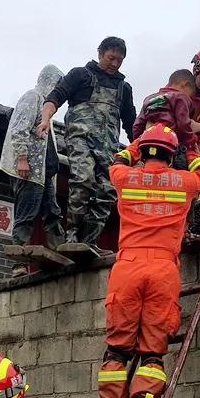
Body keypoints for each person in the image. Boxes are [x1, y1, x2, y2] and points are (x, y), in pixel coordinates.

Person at [99, 124, 200, 398]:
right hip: (163, 269)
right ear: (171, 154)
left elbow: (116, 160)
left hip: (127, 267)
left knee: (117, 350)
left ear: (144, 151)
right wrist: (191, 150)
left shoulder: (125, 178)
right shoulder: (185, 182)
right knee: (152, 354)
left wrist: (134, 146)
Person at [37, 37, 137, 252]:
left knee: (107, 191)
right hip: (80, 139)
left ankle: (90, 241)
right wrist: (46, 119)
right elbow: (55, 97)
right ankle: (72, 236)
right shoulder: (80, 75)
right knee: (82, 180)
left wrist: (141, 150)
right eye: (111, 58)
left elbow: (132, 124)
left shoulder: (124, 88)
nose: (115, 64)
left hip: (108, 147)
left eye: (120, 60)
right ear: (100, 53)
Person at [1, 65, 66, 269]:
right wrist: (22, 158)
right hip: (29, 170)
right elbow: (19, 129)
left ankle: (60, 252)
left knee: (52, 213)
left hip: (43, 173)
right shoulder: (33, 97)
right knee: (26, 214)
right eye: (57, 85)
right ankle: (19, 265)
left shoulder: (47, 107)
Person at [128, 69, 200, 169]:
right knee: (187, 161)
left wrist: (139, 141)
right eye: (190, 95)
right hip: (168, 143)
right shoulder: (181, 97)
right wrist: (191, 141)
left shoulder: (150, 98)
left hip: (148, 141)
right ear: (185, 85)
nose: (189, 98)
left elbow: (138, 125)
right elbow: (183, 124)